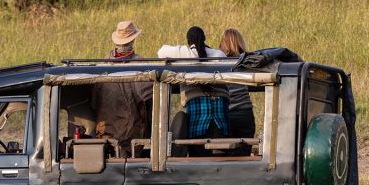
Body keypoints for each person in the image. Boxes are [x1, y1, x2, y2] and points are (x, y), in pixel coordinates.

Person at [157, 26, 230, 154]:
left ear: (188, 41)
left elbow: (161, 52)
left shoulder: (184, 53)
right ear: (205, 39)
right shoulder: (218, 54)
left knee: (198, 156)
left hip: (198, 121)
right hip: (220, 120)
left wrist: (184, 50)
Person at [91, 20, 153, 156]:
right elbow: (147, 99)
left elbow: (94, 102)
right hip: (129, 132)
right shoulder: (139, 64)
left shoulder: (103, 63)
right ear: (132, 41)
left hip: (103, 130)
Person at [219, 28, 255, 155]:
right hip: (245, 113)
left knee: (226, 155)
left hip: (226, 113)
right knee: (244, 154)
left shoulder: (218, 62)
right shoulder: (246, 61)